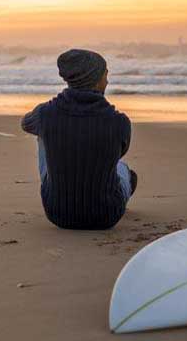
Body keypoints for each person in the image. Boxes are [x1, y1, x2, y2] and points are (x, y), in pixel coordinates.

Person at [21, 49, 137, 230]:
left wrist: (52, 110)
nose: (108, 80)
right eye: (105, 74)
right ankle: (124, 184)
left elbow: (26, 124)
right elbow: (120, 153)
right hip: (106, 216)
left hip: (58, 214)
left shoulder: (45, 113)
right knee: (122, 168)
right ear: (97, 80)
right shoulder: (120, 122)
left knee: (43, 132)